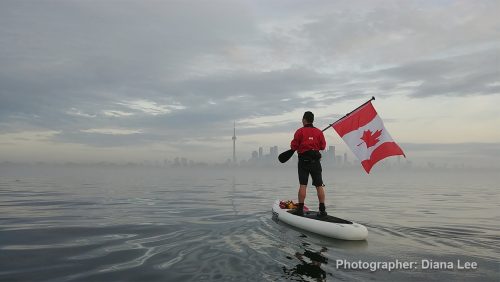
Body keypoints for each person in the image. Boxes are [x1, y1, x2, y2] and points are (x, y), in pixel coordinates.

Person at [290, 111, 327, 217]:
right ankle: (322, 210)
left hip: (303, 162)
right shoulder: (319, 132)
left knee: (303, 185)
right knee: (319, 186)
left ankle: (300, 209)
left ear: (304, 120)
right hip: (315, 163)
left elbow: (293, 146)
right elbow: (323, 146)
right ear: (312, 120)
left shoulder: (299, 132)